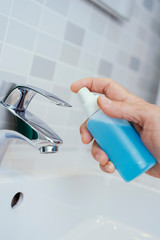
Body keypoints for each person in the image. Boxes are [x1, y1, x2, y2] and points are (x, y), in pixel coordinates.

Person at [71, 78, 160, 179]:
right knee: (103, 153)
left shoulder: (108, 113)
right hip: (151, 161)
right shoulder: (93, 124)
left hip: (149, 160)